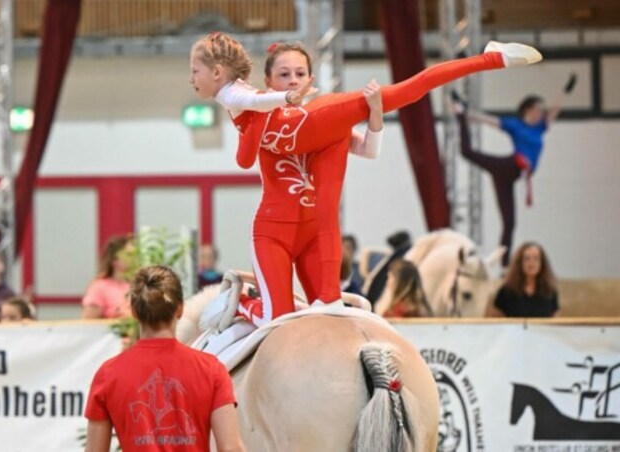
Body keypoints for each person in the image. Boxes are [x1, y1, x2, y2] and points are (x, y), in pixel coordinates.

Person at [191, 33, 542, 324]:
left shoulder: (320, 120)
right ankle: (241, 303)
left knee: (404, 92)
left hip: (314, 226)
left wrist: (375, 113)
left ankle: (488, 59)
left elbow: (369, 150)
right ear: (268, 80)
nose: (293, 80)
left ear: (311, 80)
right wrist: (279, 102)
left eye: (300, 74)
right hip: (273, 231)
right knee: (274, 321)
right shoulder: (256, 107)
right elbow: (242, 132)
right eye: (284, 75)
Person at [84, 266, 245, 452]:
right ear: (180, 309)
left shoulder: (108, 374)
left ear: (134, 312)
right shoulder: (211, 369)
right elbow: (231, 448)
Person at [452, 75, 575, 268]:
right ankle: (459, 112)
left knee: (509, 223)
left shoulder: (541, 128)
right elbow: (486, 120)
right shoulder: (515, 125)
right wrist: (467, 114)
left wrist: (566, 90)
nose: (542, 113)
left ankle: (504, 266)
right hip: (510, 166)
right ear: (528, 109)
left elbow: (555, 110)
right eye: (538, 109)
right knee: (467, 152)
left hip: (509, 177)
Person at [488, 242, 558, 318]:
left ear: (542, 263)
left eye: (536, 258)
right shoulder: (506, 291)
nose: (532, 263)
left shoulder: (550, 291)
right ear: (520, 263)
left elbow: (554, 322)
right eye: (527, 259)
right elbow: (495, 322)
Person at [82, 235, 134, 319]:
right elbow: (88, 322)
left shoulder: (138, 285)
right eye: (129, 255)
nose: (134, 258)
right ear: (114, 260)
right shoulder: (99, 287)